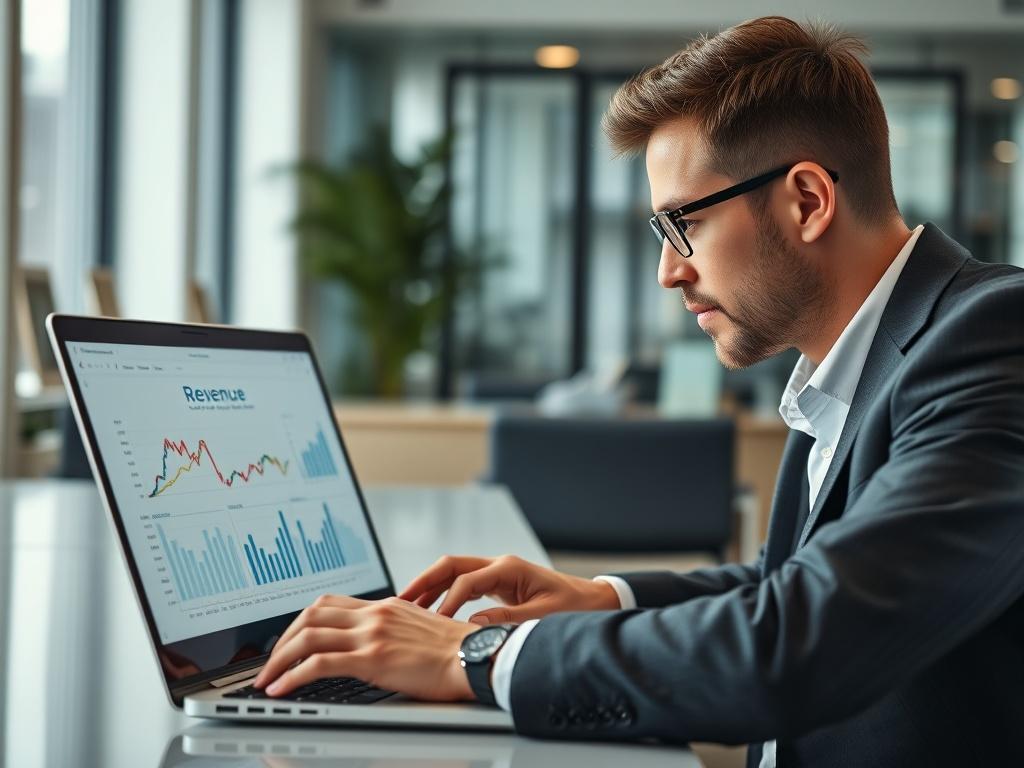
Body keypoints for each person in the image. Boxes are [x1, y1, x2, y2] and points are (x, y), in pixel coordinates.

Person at [253, 16, 1024, 766]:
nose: (668, 271)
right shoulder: (864, 361)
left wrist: (478, 653)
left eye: (682, 225)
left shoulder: (994, 339)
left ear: (807, 201)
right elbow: (786, 584)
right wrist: (602, 599)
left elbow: (803, 638)